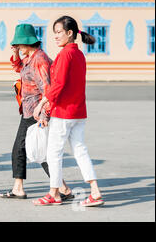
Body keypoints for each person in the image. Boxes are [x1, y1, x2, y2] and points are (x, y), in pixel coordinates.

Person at [33, 16, 104, 206]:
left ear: (70, 33)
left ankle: (53, 193)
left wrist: (42, 103)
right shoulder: (79, 54)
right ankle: (95, 190)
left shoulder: (65, 54)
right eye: (54, 33)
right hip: (78, 111)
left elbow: (59, 84)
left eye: (59, 32)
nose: (55, 37)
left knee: (53, 153)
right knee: (80, 150)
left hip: (64, 113)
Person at [0, 24, 72, 200]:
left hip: (36, 112)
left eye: (19, 44)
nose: (17, 47)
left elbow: (48, 88)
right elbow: (20, 69)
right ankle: (62, 188)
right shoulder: (30, 58)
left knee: (25, 149)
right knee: (39, 151)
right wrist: (16, 54)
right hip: (29, 111)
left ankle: (24, 188)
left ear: (27, 43)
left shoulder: (39, 59)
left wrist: (44, 114)